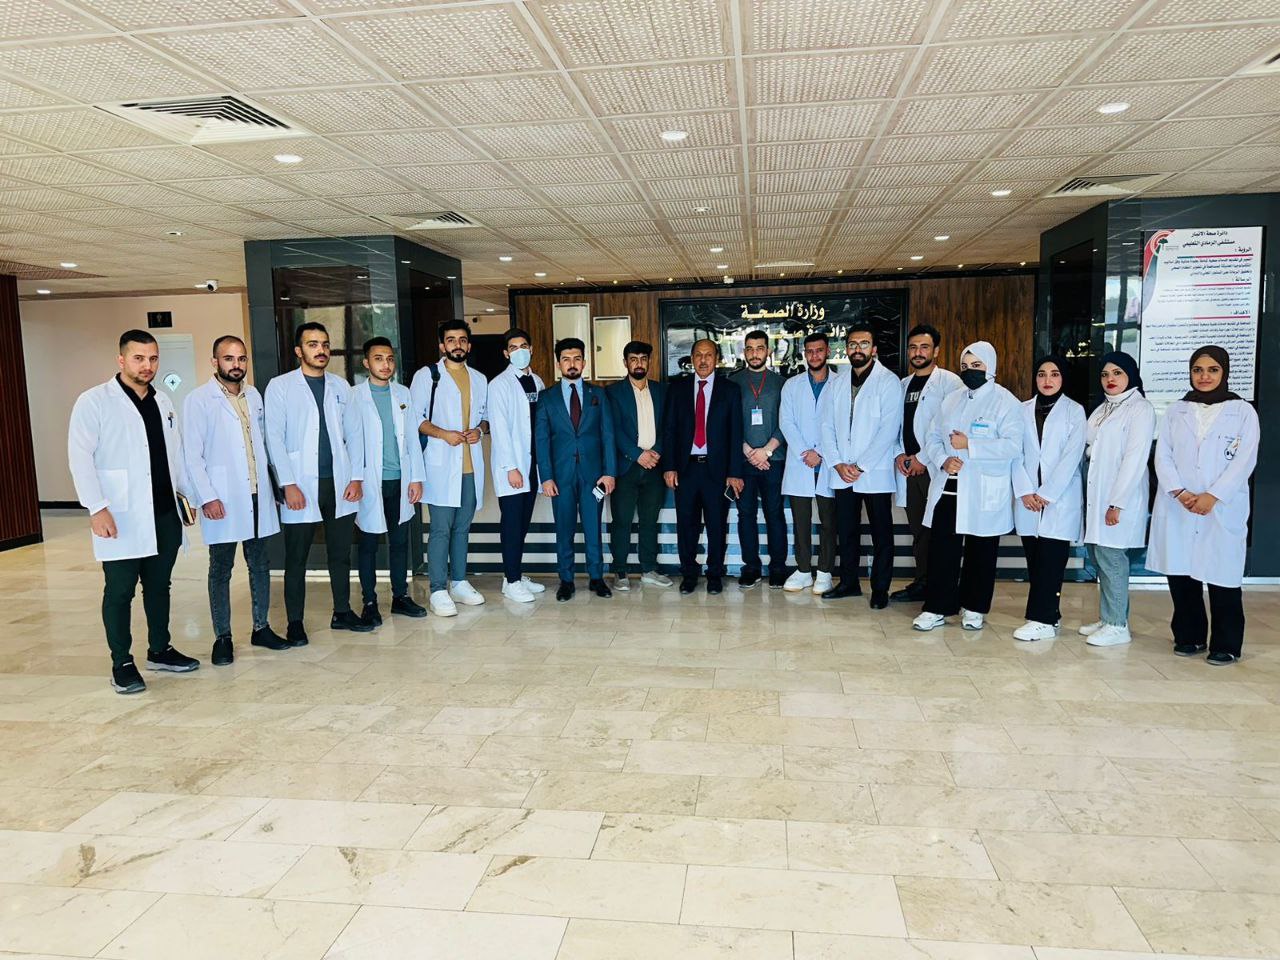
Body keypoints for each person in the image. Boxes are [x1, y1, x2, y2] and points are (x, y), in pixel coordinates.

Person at [68, 330, 199, 694]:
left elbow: (176, 455)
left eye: (153, 359)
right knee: (120, 590)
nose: (147, 366)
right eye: (139, 358)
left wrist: (187, 497)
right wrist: (97, 508)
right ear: (121, 360)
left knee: (159, 586)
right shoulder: (94, 402)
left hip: (164, 512)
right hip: (120, 514)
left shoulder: (163, 401)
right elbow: (80, 459)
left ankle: (160, 649)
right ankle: (121, 662)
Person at [1149, 346, 1259, 665]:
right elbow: (1163, 455)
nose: (1204, 376)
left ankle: (1226, 643)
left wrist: (1214, 495)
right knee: (1181, 574)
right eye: (1198, 370)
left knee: (1223, 575)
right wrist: (1180, 492)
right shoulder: (1176, 410)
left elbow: (1244, 459)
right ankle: (1189, 635)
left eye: (1212, 370)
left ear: (1224, 372)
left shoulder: (1242, 412)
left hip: (1221, 506)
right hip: (1180, 503)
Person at [182, 334, 288, 666]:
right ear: (215, 362)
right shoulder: (199, 400)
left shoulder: (253, 395)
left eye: (241, 358)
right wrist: (207, 497)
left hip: (257, 492)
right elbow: (192, 456)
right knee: (221, 568)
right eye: (229, 358)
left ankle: (261, 627)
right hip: (223, 496)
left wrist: (276, 487)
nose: (236, 364)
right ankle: (223, 637)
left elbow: (264, 444)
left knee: (260, 563)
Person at [265, 322, 369, 644]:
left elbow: (355, 434)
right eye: (312, 344)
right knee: (296, 558)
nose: (321, 350)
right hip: (301, 484)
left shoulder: (341, 386)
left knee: (340, 553)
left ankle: (342, 612)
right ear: (299, 351)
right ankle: (295, 623)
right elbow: (273, 437)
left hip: (339, 482)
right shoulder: (280, 386)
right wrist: (288, 483)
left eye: (324, 344)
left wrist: (356, 477)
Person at [913, 341, 1023, 632]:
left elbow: (1013, 446)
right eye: (965, 366)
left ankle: (974, 608)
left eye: (976, 365)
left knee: (981, 551)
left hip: (982, 490)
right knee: (942, 551)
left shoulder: (1006, 402)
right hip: (949, 487)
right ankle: (936, 607)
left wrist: (970, 445)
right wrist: (943, 459)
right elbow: (932, 437)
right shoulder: (952, 399)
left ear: (990, 367)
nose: (969, 371)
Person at [347, 337, 428, 625]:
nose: (386, 364)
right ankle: (369, 601)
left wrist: (416, 478)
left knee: (399, 541)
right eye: (379, 359)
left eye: (390, 359)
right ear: (366, 363)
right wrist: (355, 478)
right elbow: (350, 441)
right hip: (370, 481)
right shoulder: (354, 396)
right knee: (368, 543)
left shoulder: (403, 393)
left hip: (399, 479)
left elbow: (412, 440)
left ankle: (400, 597)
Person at [820, 326, 902, 607]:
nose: (858, 349)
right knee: (846, 531)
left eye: (864, 343)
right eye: (852, 344)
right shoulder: (837, 383)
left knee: (881, 533)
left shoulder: (888, 381)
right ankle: (849, 583)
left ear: (874, 349)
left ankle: (880, 589)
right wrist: (837, 463)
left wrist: (861, 466)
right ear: (846, 349)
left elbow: (888, 430)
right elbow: (826, 426)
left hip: (873, 471)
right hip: (842, 471)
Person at [411, 319, 488, 618]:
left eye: (463, 340)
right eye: (451, 340)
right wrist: (444, 434)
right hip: (441, 465)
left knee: (462, 528)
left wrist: (479, 430)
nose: (458, 345)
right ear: (442, 345)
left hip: (470, 466)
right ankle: (437, 589)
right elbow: (416, 419)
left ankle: (459, 582)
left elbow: (486, 418)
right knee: (441, 529)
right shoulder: (427, 376)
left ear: (469, 345)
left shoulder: (479, 378)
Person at [1079, 351, 1156, 648]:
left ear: (1130, 375)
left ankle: (1117, 625)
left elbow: (1135, 458)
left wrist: (1117, 502)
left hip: (1118, 497)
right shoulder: (1103, 408)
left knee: (1112, 559)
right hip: (1096, 494)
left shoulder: (1140, 409)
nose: (1110, 379)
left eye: (1117, 373)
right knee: (1099, 556)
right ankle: (1108, 617)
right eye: (1105, 374)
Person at [535, 338, 617, 601]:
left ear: (584, 362)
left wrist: (610, 472)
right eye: (566, 359)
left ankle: (596, 578)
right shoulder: (546, 397)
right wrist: (546, 477)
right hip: (561, 476)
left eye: (577, 358)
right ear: (558, 364)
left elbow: (608, 435)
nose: (572, 364)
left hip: (594, 475)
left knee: (594, 527)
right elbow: (541, 440)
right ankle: (566, 580)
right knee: (564, 529)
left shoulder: (598, 395)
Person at [1011, 355, 1086, 641]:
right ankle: (1051, 615)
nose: (1047, 380)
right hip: (1028, 498)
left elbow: (1071, 456)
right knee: (1035, 561)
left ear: (1063, 378)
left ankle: (1041, 619)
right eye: (1042, 374)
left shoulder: (1074, 411)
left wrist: (1046, 493)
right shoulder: (1021, 410)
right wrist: (1025, 491)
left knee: (1051, 562)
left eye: (1054, 374)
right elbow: (1015, 454)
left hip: (1059, 498)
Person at [662, 339, 745, 595]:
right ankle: (689, 574)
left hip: (716, 471)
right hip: (686, 470)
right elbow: (669, 430)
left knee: (717, 525)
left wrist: (734, 472)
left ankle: (715, 574)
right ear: (691, 359)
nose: (703, 360)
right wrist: (669, 466)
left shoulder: (730, 390)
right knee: (686, 525)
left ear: (717, 359)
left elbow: (736, 433)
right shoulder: (677, 389)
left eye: (708, 355)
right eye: (698, 355)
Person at [892, 324, 963, 603]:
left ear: (936, 351)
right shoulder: (903, 385)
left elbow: (948, 428)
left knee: (940, 529)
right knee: (919, 530)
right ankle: (922, 582)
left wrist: (921, 458)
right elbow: (896, 426)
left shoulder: (950, 383)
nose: (918, 353)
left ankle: (941, 586)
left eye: (924, 347)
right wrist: (900, 454)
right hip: (909, 469)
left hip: (935, 467)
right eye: (913, 347)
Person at [488, 328, 547, 603]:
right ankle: (512, 582)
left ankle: (514, 575)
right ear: (505, 353)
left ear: (531, 349)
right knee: (512, 524)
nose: (520, 351)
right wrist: (511, 467)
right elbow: (499, 430)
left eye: (524, 346)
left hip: (532, 464)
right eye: (513, 347)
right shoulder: (498, 385)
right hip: (513, 467)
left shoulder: (537, 381)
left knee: (523, 523)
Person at [606, 340, 671, 590]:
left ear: (649, 361)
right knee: (621, 521)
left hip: (654, 465)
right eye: (633, 359)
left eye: (643, 359)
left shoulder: (662, 390)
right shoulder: (613, 392)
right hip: (626, 467)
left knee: (649, 520)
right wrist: (637, 454)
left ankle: (649, 569)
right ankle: (620, 571)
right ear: (626, 363)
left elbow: (668, 426)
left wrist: (656, 452)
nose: (639, 364)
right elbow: (613, 430)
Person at [728, 330, 789, 589]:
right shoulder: (732, 382)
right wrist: (748, 451)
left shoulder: (783, 383)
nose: (755, 353)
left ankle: (778, 568)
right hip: (742, 461)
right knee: (746, 515)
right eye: (750, 348)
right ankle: (751, 567)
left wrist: (767, 451)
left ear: (768, 351)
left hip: (774, 460)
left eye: (760, 348)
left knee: (774, 514)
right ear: (744, 352)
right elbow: (728, 422)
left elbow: (788, 421)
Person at [779, 332, 837, 595]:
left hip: (829, 463)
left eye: (819, 350)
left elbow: (843, 423)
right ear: (804, 354)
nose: (814, 355)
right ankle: (803, 571)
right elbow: (786, 422)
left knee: (829, 522)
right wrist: (806, 452)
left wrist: (821, 453)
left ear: (828, 352)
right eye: (810, 351)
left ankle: (824, 572)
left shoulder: (840, 383)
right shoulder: (792, 385)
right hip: (800, 462)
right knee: (800, 522)